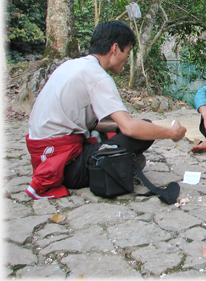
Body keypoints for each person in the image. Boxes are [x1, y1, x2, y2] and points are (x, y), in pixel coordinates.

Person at [25, 20, 187, 200]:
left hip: (43, 158)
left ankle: (119, 161)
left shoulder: (72, 66)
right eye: (127, 52)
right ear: (115, 48)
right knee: (142, 130)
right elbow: (130, 128)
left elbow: (90, 123)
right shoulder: (98, 77)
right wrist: (171, 132)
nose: (127, 59)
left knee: (124, 131)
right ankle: (112, 166)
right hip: (67, 168)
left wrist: (117, 127)